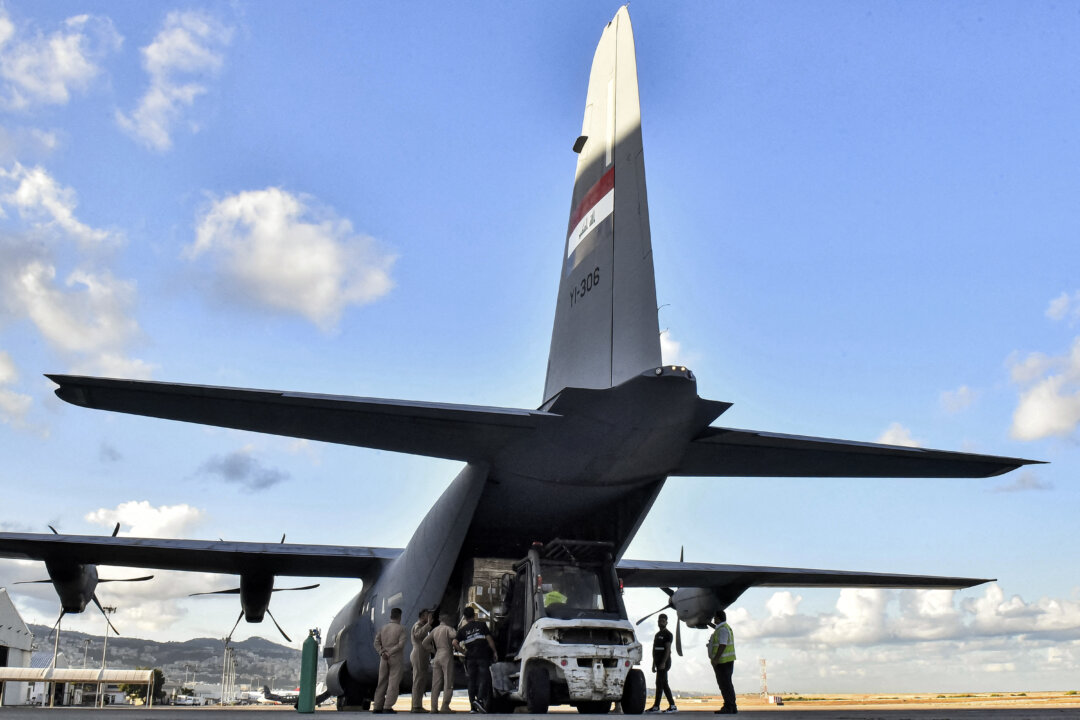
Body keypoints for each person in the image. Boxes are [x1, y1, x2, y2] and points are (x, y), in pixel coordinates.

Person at [453, 606, 496, 713]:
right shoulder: (482, 625)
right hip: (482, 656)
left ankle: (472, 707)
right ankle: (479, 700)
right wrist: (494, 651)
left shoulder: (463, 630)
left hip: (470, 658)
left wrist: (464, 652)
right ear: (474, 615)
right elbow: (489, 639)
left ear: (465, 617)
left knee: (471, 681)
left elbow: (454, 642)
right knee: (484, 678)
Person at [373, 607, 407, 713]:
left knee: (381, 682)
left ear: (390, 616)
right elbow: (401, 645)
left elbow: (376, 642)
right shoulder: (401, 629)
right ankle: (387, 706)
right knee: (393, 682)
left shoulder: (383, 628)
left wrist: (382, 652)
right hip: (395, 658)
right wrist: (390, 652)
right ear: (400, 616)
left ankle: (377, 706)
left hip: (383, 658)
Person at [424, 613, 457, 713]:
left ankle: (433, 707)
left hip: (437, 654)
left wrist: (433, 650)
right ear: (447, 620)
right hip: (446, 654)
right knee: (448, 681)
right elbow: (455, 635)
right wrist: (453, 628)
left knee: (436, 683)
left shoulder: (435, 630)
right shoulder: (448, 629)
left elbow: (424, 642)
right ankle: (445, 706)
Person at [707, 610, 736, 715]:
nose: (714, 619)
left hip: (722, 662)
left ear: (718, 618)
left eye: (715, 617)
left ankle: (728, 706)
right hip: (726, 661)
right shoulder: (724, 628)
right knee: (727, 684)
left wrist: (716, 659)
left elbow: (722, 645)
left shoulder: (722, 630)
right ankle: (732, 707)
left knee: (724, 685)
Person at [647, 614, 676, 712]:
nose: (661, 623)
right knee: (660, 683)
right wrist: (653, 664)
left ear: (666, 622)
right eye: (660, 621)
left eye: (663, 621)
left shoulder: (668, 634)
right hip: (658, 662)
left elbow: (667, 650)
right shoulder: (657, 635)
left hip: (664, 662)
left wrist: (663, 662)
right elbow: (654, 650)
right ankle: (658, 706)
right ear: (657, 622)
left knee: (662, 683)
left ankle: (671, 705)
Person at [411, 608, 434, 712]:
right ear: (423, 616)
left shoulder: (422, 626)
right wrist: (428, 624)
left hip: (422, 654)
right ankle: (416, 706)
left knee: (421, 679)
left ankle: (417, 705)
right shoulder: (418, 625)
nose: (429, 617)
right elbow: (417, 635)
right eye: (427, 615)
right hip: (418, 654)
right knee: (418, 680)